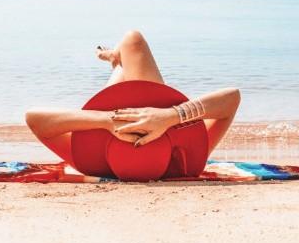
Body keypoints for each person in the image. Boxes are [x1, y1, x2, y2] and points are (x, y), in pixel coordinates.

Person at [24, 30, 241, 165]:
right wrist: (169, 116)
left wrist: (108, 120)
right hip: (156, 114)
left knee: (131, 42)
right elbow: (231, 98)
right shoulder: (186, 163)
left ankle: (117, 60)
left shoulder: (90, 164)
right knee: (132, 41)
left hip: (112, 120)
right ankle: (118, 60)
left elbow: (34, 118)